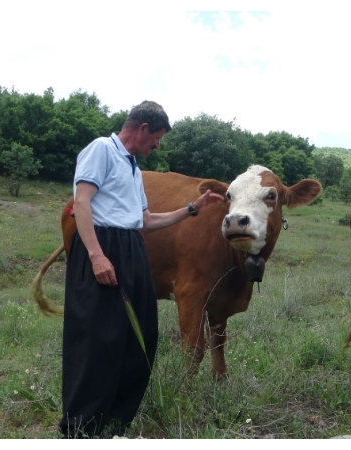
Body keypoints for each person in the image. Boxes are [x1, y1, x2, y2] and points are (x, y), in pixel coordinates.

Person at [59, 100, 223, 438]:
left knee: (141, 337)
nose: (158, 146)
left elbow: (146, 220)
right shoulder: (101, 150)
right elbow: (82, 202)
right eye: (157, 138)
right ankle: (82, 428)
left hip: (132, 246)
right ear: (143, 128)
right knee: (97, 338)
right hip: (103, 244)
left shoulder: (132, 166)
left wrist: (193, 208)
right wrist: (96, 255)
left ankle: (117, 420)